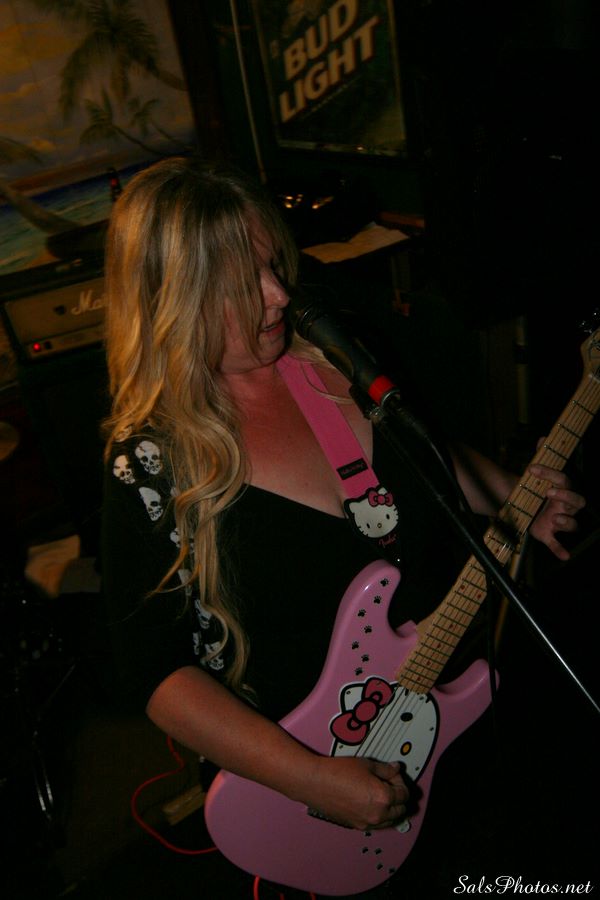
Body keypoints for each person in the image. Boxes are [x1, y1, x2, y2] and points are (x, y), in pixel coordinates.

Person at [101, 157, 585, 892]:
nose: (279, 294)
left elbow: (426, 456)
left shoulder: (333, 354)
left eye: (274, 264)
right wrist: (312, 779)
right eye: (243, 283)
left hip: (464, 714)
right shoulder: (149, 462)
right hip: (320, 780)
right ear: (173, 299)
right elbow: (156, 672)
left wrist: (517, 496)